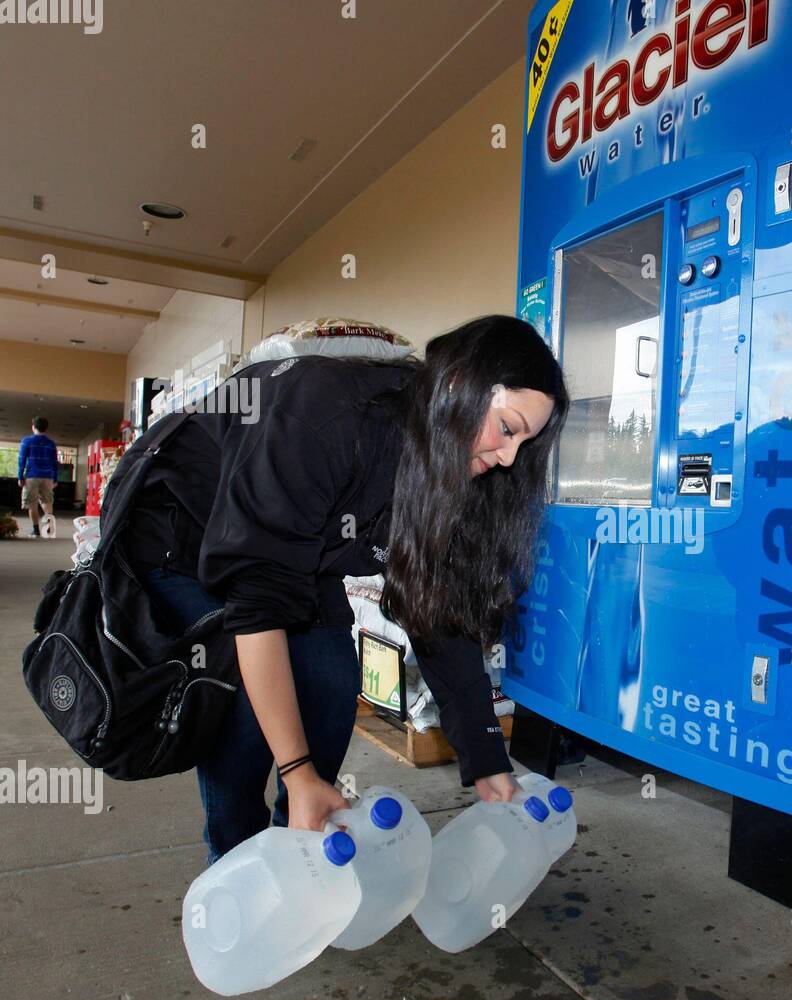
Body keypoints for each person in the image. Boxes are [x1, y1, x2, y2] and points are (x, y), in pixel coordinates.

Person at [124, 315, 568, 864]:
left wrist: (488, 761)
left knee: (332, 681)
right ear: (459, 384)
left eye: (525, 444)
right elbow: (257, 604)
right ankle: (234, 859)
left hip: (300, 548)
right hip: (180, 536)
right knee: (238, 704)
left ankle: (301, 843)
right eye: (507, 427)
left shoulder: (444, 470)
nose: (508, 458)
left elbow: (436, 612)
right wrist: (294, 765)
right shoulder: (328, 412)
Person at [17, 416, 59, 538]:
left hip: (31, 476)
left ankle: (36, 531)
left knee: (32, 504)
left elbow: (22, 460)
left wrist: (20, 477)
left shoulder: (26, 441)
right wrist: (55, 478)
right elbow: (55, 462)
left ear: (33, 427)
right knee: (47, 503)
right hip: (48, 477)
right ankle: (49, 530)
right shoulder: (51, 444)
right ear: (46, 428)